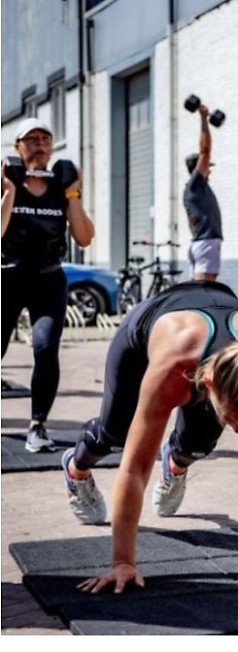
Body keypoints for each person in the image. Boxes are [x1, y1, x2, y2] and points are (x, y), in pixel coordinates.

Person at [60, 280, 238, 593]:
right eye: (234, 417)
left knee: (198, 446)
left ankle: (176, 465)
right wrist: (123, 562)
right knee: (114, 437)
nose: (236, 429)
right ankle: (77, 469)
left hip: (217, 313)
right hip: (143, 338)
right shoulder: (173, 368)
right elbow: (135, 469)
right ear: (208, 383)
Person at [1, 118, 95, 453]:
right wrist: (10, 190)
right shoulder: (6, 182)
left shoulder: (61, 186)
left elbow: (84, 237)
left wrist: (73, 194)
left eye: (45, 139)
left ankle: (37, 426)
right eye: (32, 139)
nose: (40, 144)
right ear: (18, 148)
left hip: (48, 280)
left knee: (44, 347)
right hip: (7, 278)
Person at [183, 102, 222, 282]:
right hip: (206, 243)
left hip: (200, 242)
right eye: (207, 167)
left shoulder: (193, 190)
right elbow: (205, 151)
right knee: (204, 293)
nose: (210, 170)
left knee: (199, 293)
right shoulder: (195, 184)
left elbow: (191, 224)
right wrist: (203, 119)